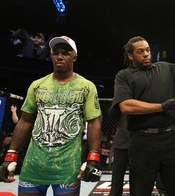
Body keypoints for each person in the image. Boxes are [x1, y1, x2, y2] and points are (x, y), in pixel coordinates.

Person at [0, 36, 103, 196]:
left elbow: (94, 123)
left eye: (65, 53)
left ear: (74, 56)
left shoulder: (86, 86)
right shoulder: (37, 85)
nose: (60, 57)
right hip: (34, 165)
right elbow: (25, 122)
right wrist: (11, 156)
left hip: (67, 167)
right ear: (51, 55)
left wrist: (93, 158)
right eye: (56, 53)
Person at [110, 36, 175, 195]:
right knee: (141, 191)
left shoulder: (164, 67)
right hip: (142, 140)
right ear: (130, 55)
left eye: (148, 50)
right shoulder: (124, 75)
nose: (146, 54)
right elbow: (125, 105)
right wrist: (162, 106)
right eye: (140, 51)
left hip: (171, 136)